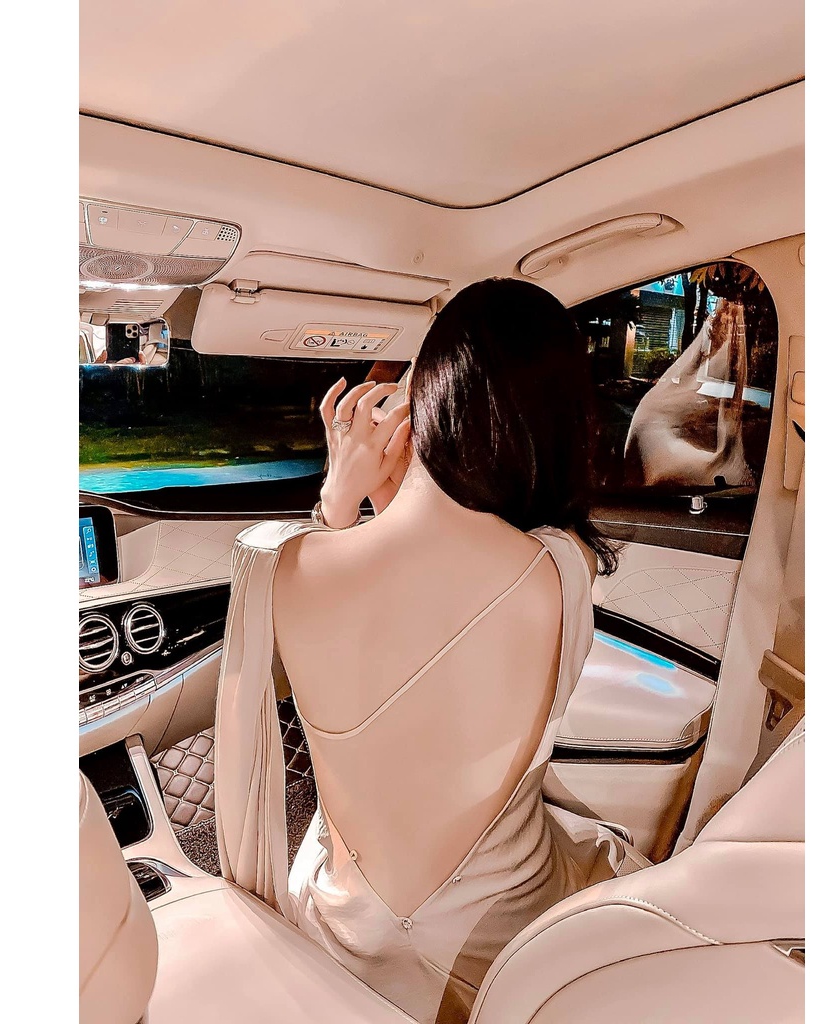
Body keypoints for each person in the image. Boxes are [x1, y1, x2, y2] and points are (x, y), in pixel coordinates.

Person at [214, 278, 646, 1024]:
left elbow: (380, 594)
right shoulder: (564, 566)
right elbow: (439, 584)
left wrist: (340, 497)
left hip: (349, 939)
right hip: (510, 946)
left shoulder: (274, 566)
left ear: (420, 409)